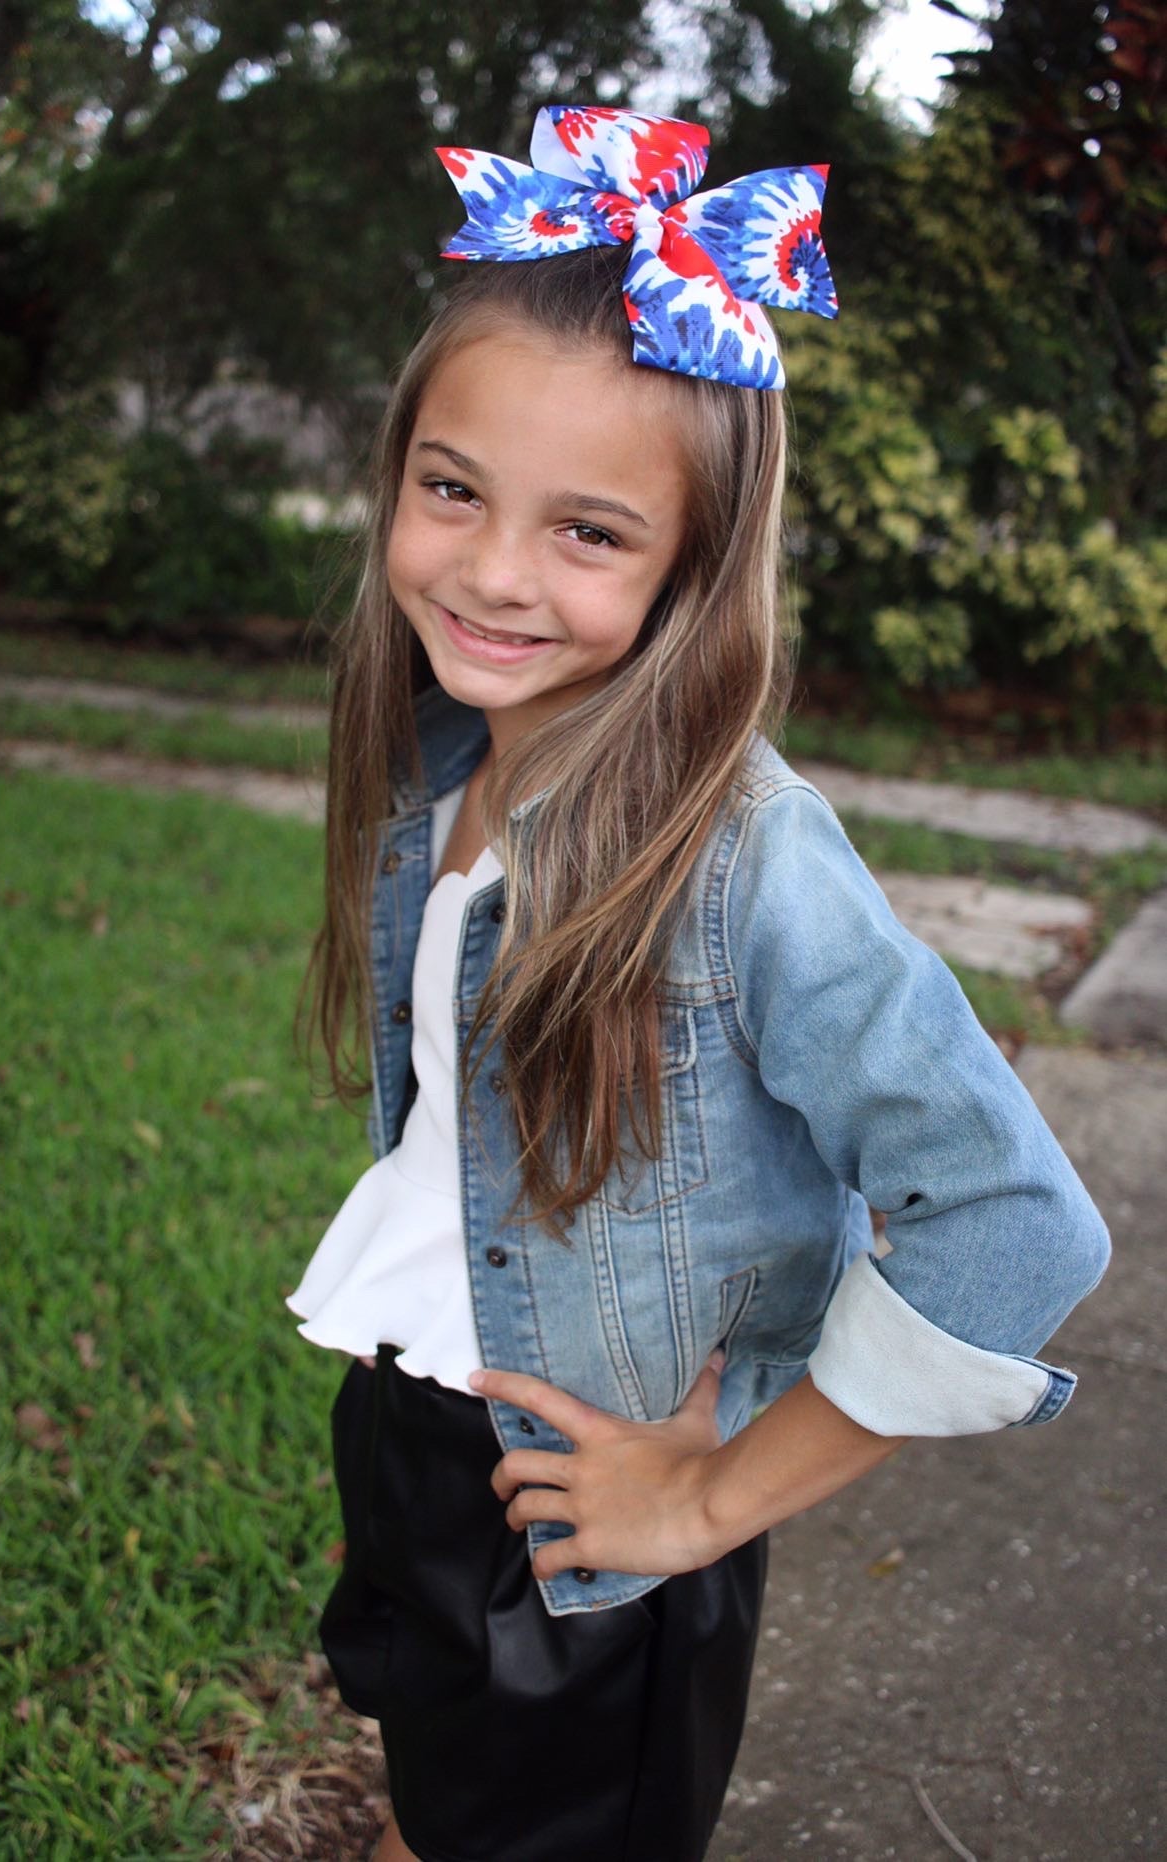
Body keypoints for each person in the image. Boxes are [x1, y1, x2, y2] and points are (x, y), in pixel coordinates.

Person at [288, 105, 1110, 1862]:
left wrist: (721, 1493)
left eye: (587, 531)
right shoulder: (457, 749)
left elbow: (1014, 1222)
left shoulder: (745, 859)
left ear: (690, 560)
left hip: (594, 1525)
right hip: (431, 1429)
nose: (493, 571)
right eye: (453, 489)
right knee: (434, 1802)